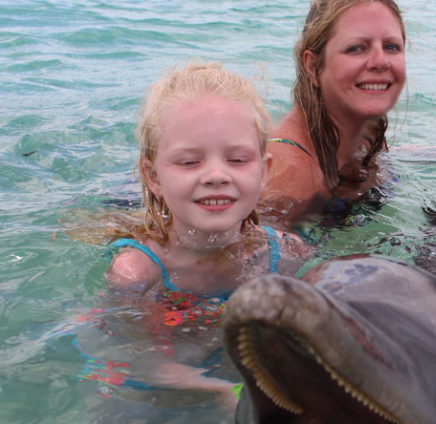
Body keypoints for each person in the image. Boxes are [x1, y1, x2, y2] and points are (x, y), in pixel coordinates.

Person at [82, 61, 310, 402]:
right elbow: (140, 361)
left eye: (237, 159)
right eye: (190, 162)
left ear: (264, 172)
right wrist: (222, 393)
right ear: (154, 177)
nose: (216, 175)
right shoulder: (137, 273)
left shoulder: (288, 254)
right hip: (163, 401)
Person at [261, 0, 406, 225]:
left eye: (391, 46)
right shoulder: (290, 171)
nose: (381, 61)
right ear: (313, 66)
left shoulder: (366, 129)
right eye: (356, 47)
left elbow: (391, 157)